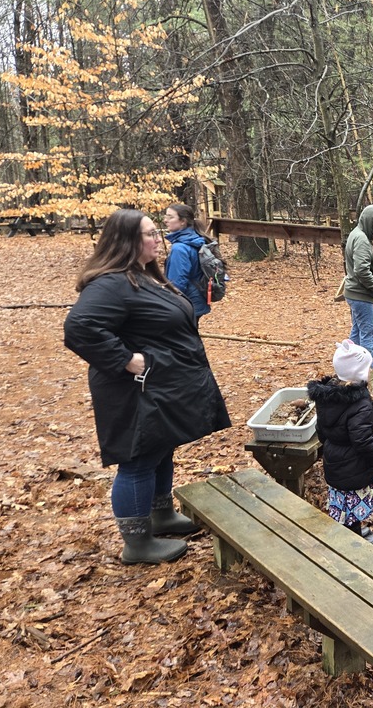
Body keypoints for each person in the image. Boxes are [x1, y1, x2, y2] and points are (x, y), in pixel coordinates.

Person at [63, 209, 231, 565]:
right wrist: (127, 360)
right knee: (138, 459)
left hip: (163, 385)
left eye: (157, 231)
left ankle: (161, 514)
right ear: (126, 241)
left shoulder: (144, 276)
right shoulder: (111, 282)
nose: (158, 239)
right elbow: (80, 327)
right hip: (135, 389)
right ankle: (137, 542)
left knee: (161, 447)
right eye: (149, 234)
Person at [307, 340, 373, 544]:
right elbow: (362, 440)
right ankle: (353, 545)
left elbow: (321, 429)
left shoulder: (327, 395)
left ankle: (352, 530)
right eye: (368, 367)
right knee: (353, 504)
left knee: (343, 502)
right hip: (353, 463)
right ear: (359, 373)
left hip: (335, 459)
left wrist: (331, 449)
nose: (371, 370)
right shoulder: (360, 403)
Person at [343, 204, 373, 367]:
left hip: (356, 294)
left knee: (356, 334)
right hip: (361, 295)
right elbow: (361, 270)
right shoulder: (361, 239)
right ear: (370, 221)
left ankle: (349, 367)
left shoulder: (358, 235)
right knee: (368, 336)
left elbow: (363, 266)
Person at [162, 203, 210, 320]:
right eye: (166, 216)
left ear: (183, 221)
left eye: (170, 217)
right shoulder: (194, 239)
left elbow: (177, 282)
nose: (165, 220)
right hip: (196, 299)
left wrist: (168, 305)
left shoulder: (180, 248)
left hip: (186, 302)